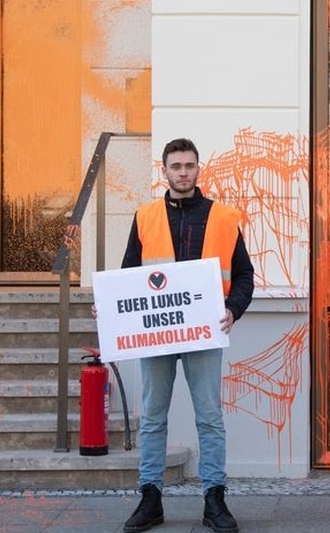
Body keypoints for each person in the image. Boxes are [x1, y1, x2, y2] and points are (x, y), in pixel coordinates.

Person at [120, 138, 254, 533]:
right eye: (175, 166)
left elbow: (244, 275)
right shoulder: (144, 217)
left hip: (205, 331)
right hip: (157, 335)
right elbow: (129, 275)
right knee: (153, 419)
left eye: (189, 165)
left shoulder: (224, 218)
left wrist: (234, 310)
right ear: (164, 171)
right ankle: (150, 498)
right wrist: (111, 311)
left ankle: (215, 498)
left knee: (210, 418)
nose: (182, 172)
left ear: (199, 169)